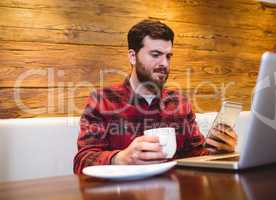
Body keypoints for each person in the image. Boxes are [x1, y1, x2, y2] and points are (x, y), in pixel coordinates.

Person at [73, 20, 237, 173]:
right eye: (155, 54)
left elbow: (195, 155)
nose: (164, 64)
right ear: (132, 56)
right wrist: (120, 158)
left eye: (168, 56)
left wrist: (218, 152)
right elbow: (82, 161)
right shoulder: (103, 100)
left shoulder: (179, 102)